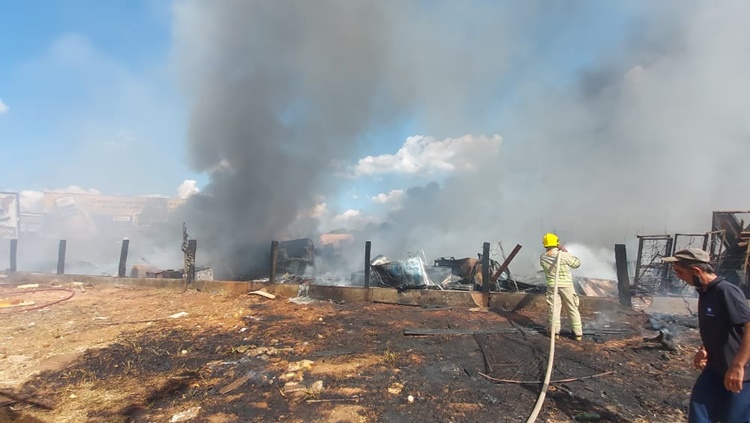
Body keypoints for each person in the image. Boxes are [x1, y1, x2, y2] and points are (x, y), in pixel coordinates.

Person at [663, 248, 750, 423]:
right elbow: (719, 326)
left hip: (742, 373)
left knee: (734, 419)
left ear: (696, 270)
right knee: (699, 412)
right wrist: (705, 349)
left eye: (679, 272)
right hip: (715, 369)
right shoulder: (704, 292)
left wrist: (738, 366)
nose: (678, 276)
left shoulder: (726, 291)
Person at [539, 233, 583, 341]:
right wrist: (566, 252)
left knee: (553, 309)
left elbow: (548, 259)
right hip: (566, 286)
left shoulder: (543, 257)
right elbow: (576, 264)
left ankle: (554, 333)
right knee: (572, 308)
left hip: (552, 286)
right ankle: (577, 334)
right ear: (557, 243)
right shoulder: (562, 255)